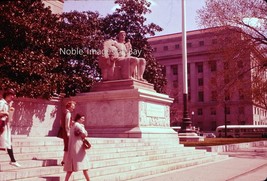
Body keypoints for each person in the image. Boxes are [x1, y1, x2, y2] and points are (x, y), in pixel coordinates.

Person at [64, 113, 90, 181]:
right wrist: (83, 127)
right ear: (78, 118)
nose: (83, 120)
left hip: (76, 147)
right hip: (78, 148)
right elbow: (84, 134)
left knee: (71, 167)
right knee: (84, 166)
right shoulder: (78, 125)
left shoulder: (74, 125)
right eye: (82, 118)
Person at [0, 89, 21, 167]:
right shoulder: (2, 103)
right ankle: (13, 160)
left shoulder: (7, 104)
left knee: (8, 143)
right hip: (1, 126)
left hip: (5, 126)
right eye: (11, 95)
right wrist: (5, 113)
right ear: (7, 95)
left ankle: (13, 160)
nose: (13, 96)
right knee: (6, 143)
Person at [61, 101, 76, 166]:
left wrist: (71, 122)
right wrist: (68, 132)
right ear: (69, 106)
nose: (73, 108)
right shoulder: (68, 113)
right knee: (68, 147)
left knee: (67, 147)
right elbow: (67, 125)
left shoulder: (65, 112)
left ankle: (64, 161)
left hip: (65, 132)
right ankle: (66, 161)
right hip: (67, 132)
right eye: (72, 106)